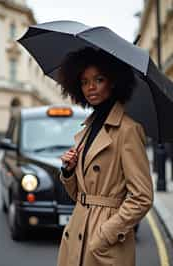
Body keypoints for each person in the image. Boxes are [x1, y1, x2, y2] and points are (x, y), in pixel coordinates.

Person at [57, 47, 153, 266]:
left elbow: (142, 197)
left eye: (98, 79)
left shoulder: (128, 130)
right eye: (84, 82)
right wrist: (69, 170)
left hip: (103, 245)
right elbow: (79, 195)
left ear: (113, 81)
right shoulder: (88, 129)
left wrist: (105, 235)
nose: (90, 87)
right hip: (77, 233)